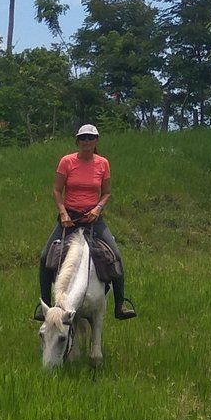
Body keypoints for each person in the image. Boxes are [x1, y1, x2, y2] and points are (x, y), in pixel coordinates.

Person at [36, 123, 137, 322]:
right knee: (44, 256)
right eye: (83, 138)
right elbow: (57, 190)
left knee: (116, 255)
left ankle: (119, 304)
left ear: (96, 140)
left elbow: (106, 192)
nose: (87, 142)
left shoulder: (103, 163)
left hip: (93, 219)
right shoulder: (67, 161)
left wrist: (97, 209)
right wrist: (63, 213)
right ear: (77, 141)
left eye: (91, 138)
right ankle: (44, 307)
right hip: (70, 218)